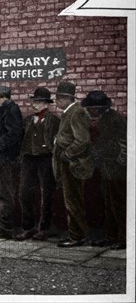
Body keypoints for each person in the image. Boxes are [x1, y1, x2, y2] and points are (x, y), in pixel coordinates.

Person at [81, 90, 126, 250]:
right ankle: (112, 236)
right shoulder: (105, 118)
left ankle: (123, 238)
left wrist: (120, 165)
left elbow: (124, 144)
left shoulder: (114, 119)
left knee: (119, 204)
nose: (89, 111)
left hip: (116, 170)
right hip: (107, 168)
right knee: (109, 203)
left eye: (91, 108)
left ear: (98, 107)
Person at [15, 87, 60, 242]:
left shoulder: (54, 121)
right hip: (28, 159)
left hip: (46, 159)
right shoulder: (27, 121)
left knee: (47, 193)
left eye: (39, 102)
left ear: (46, 104)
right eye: (34, 101)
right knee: (24, 193)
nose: (35, 105)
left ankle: (44, 228)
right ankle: (28, 228)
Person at [53, 81, 94, 248]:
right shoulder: (70, 112)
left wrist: (66, 153)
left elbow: (83, 140)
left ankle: (77, 236)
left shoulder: (76, 113)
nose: (56, 102)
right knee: (71, 200)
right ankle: (76, 233)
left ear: (66, 98)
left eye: (58, 99)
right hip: (69, 164)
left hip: (73, 165)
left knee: (73, 200)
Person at [0, 86, 24, 239]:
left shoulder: (11, 110)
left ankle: (6, 229)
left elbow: (15, 133)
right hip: (4, 159)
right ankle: (5, 227)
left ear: (4, 98)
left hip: (5, 160)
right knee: (3, 193)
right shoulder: (7, 111)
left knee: (4, 193)